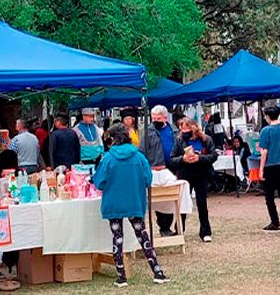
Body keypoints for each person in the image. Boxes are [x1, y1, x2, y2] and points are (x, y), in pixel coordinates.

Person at [92, 124, 170, 288]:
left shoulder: (108, 158)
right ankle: (157, 272)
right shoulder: (139, 157)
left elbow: (99, 182)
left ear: (113, 139)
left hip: (113, 203)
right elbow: (148, 180)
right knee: (142, 236)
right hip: (134, 201)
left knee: (117, 238)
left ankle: (121, 277)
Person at [169, 119, 218, 242]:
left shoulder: (206, 140)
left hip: (201, 174)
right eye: (182, 128)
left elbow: (213, 156)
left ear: (194, 127)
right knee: (182, 203)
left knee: (202, 203)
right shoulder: (179, 140)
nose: (184, 131)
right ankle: (179, 230)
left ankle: (205, 232)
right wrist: (183, 159)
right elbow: (172, 159)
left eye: (187, 128)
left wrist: (199, 158)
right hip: (184, 175)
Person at [139, 105, 176, 236]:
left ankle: (172, 225)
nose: (155, 120)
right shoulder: (148, 132)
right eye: (153, 118)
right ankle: (164, 227)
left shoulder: (173, 130)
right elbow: (142, 151)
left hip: (173, 167)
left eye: (158, 118)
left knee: (172, 197)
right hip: (156, 168)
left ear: (165, 118)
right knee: (160, 199)